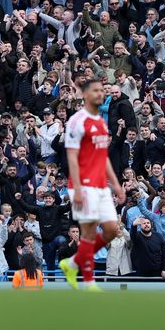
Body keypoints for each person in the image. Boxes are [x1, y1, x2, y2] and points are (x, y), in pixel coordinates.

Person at [58, 78, 125, 290]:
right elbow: (71, 156)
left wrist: (116, 184)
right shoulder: (77, 121)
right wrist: (76, 188)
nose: (100, 94)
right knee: (87, 233)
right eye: (96, 90)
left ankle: (72, 264)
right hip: (82, 184)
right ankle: (89, 282)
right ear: (85, 95)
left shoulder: (101, 123)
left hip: (100, 185)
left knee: (112, 230)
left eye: (102, 91)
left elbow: (103, 157)